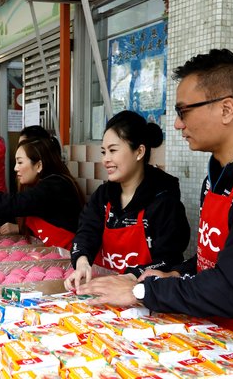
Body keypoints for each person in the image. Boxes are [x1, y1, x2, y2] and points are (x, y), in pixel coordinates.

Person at [75, 49, 233, 348]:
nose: (178, 124)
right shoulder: (217, 174)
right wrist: (174, 272)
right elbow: (214, 259)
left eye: (184, 111)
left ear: (226, 109)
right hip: (218, 338)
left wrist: (143, 292)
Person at [63, 110, 189, 285]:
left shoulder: (164, 202)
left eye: (113, 150)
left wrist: (131, 277)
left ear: (139, 152)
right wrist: (82, 261)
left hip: (145, 299)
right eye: (103, 152)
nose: (105, 159)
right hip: (105, 293)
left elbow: (169, 260)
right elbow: (87, 231)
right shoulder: (103, 196)